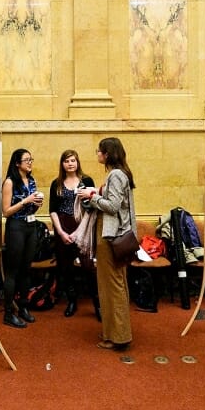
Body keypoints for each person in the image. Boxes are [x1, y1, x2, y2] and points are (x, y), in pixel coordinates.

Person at [78, 137, 135, 351]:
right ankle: (115, 332)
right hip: (112, 233)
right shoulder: (120, 173)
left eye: (99, 151)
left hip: (111, 235)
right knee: (112, 285)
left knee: (112, 286)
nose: (97, 154)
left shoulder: (116, 174)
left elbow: (113, 206)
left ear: (107, 154)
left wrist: (91, 196)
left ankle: (119, 336)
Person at [48, 150, 96, 318]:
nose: (70, 163)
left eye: (73, 160)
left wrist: (78, 232)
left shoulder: (86, 181)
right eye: (67, 161)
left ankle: (98, 305)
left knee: (88, 266)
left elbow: (92, 209)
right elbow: (52, 210)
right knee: (66, 267)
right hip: (63, 226)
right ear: (62, 164)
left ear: (78, 162)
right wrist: (60, 232)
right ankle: (72, 301)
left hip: (83, 226)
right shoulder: (56, 183)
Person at [1, 148, 43, 328]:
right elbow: (6, 211)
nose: (30, 162)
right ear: (17, 163)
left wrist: (37, 203)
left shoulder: (31, 180)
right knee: (13, 271)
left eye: (31, 159)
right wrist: (25, 201)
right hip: (16, 227)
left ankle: (24, 307)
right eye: (26, 160)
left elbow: (31, 207)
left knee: (27, 269)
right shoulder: (10, 182)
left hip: (31, 226)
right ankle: (8, 313)